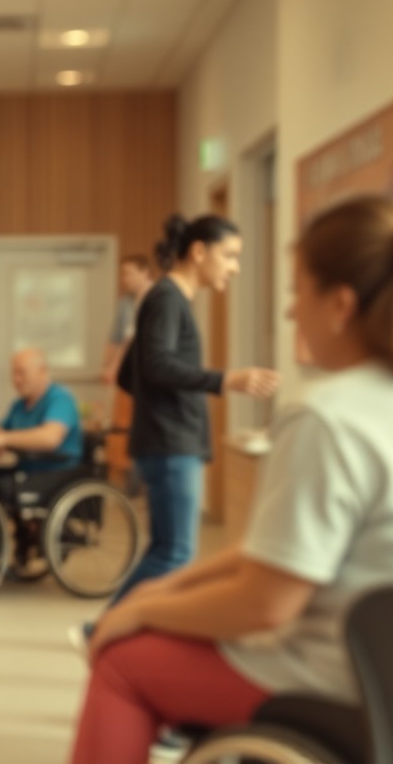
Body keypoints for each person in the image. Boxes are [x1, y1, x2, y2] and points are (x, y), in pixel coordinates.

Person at [70, 197, 393, 763]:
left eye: (300, 292)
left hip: (351, 681)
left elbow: (266, 604)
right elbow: (273, 555)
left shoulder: (331, 416)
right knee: (170, 557)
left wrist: (143, 611)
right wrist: (162, 591)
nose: (292, 312)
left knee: (123, 662)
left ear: (342, 304)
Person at [107, 214, 279, 608]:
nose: (235, 268)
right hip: (170, 444)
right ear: (199, 252)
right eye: (230, 256)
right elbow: (155, 366)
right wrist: (224, 380)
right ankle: (105, 629)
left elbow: (132, 373)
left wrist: (165, 401)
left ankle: (110, 629)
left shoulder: (167, 300)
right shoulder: (167, 298)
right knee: (174, 552)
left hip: (168, 440)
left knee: (169, 549)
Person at [0, 348, 83, 510]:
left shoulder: (61, 399)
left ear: (42, 371)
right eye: (14, 374)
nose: (16, 380)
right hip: (27, 470)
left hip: (57, 473)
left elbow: (50, 438)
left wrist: (4, 439)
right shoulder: (19, 405)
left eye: (21, 373)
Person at [101, 255, 155, 384]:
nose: (125, 279)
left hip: (150, 368)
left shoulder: (158, 299)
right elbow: (116, 337)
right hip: (129, 372)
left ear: (145, 273)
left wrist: (115, 366)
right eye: (123, 275)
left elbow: (131, 336)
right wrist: (107, 366)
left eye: (129, 274)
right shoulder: (124, 303)